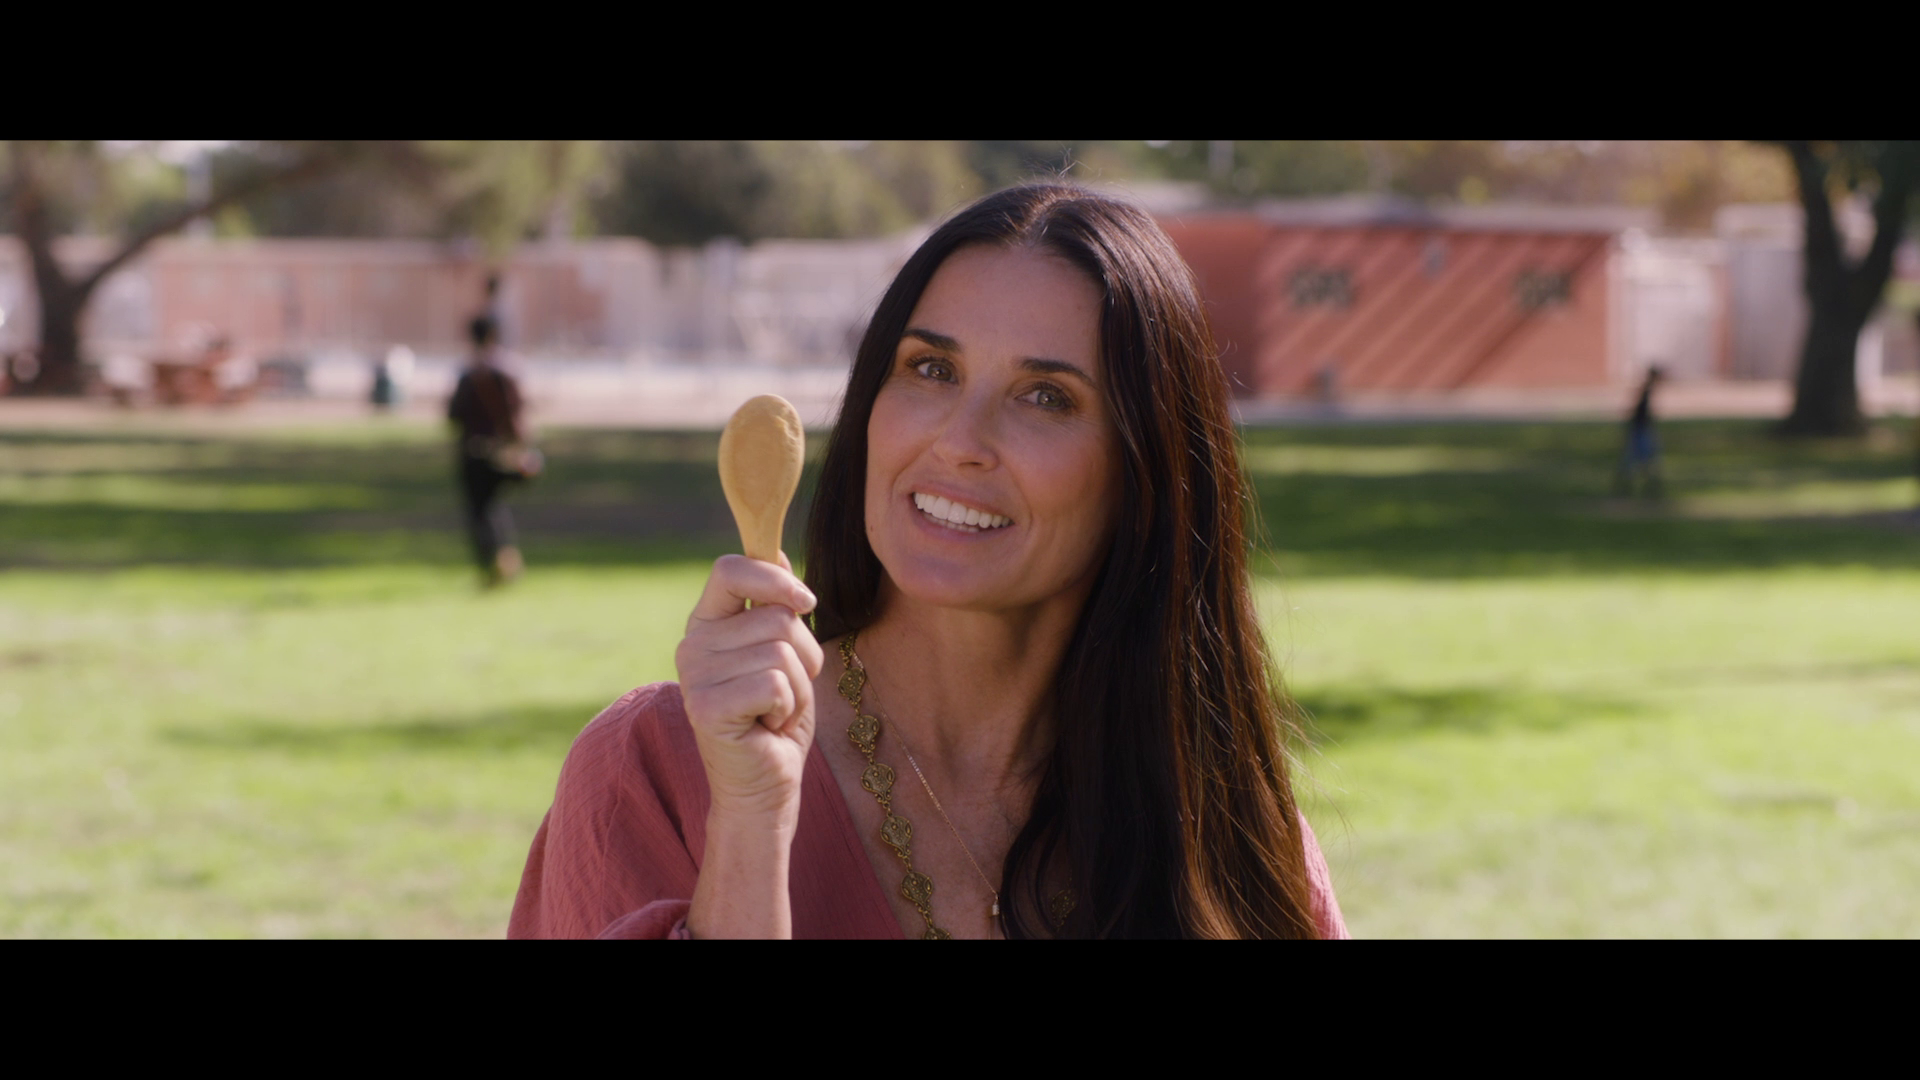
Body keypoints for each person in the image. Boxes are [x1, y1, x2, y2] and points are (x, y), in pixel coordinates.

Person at [509, 184, 1348, 939]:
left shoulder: (1226, 830)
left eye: (1046, 396)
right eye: (931, 369)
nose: (959, 440)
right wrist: (751, 826)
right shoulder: (653, 769)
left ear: (1146, 474)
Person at [447, 315, 528, 587]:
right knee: (495, 506)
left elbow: (454, 414)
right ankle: (505, 560)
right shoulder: (507, 371)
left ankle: (492, 565)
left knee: (479, 511)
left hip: (473, 451)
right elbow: (517, 413)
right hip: (502, 452)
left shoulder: (468, 373)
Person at [1615, 365, 1666, 499]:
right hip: (1640, 428)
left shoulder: (1646, 390)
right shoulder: (1646, 390)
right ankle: (1636, 486)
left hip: (1641, 428)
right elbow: (1640, 412)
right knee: (1641, 458)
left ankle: (1645, 486)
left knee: (1640, 459)